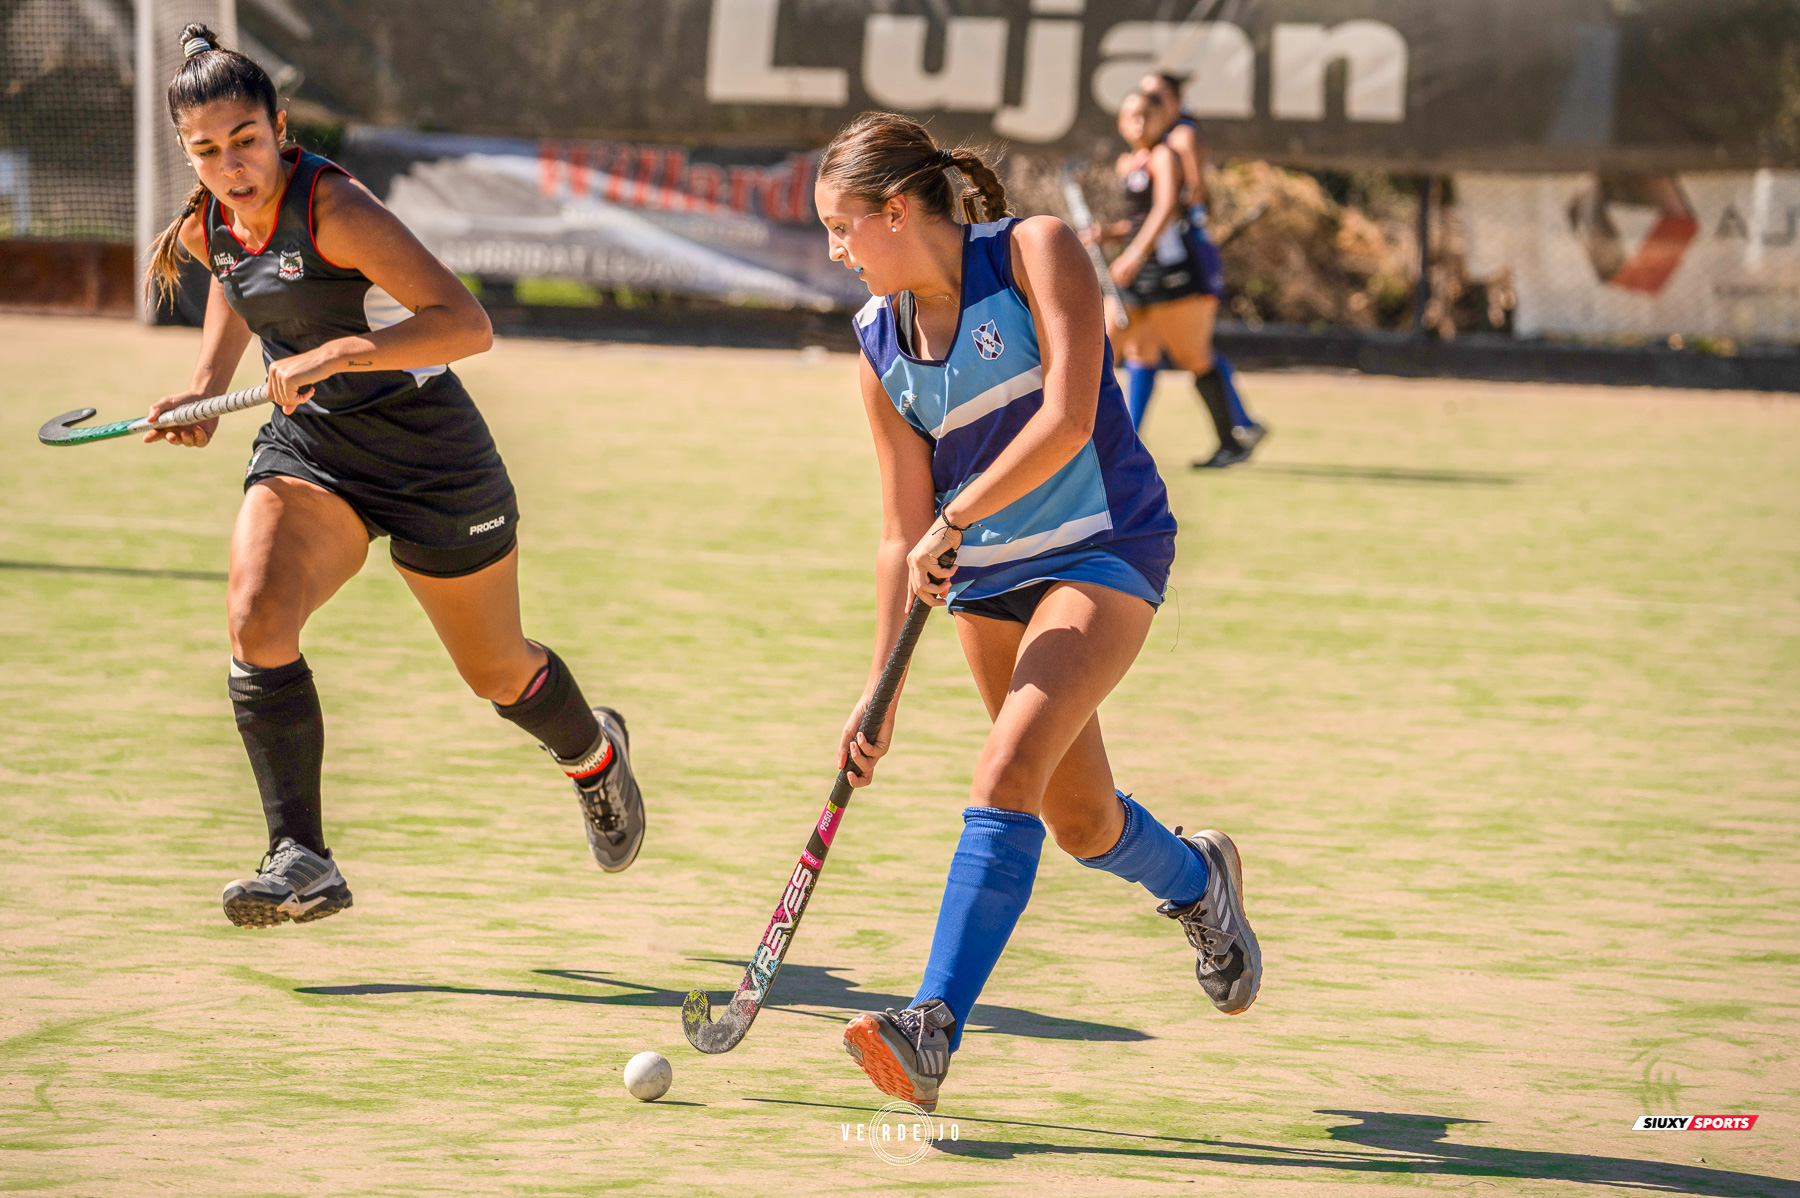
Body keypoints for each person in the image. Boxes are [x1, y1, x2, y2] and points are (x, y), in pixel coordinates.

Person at [140, 26, 645, 927]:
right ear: (188, 151)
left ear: (281, 127)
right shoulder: (210, 216)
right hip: (314, 451)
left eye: (246, 141)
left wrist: (342, 350)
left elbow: (466, 323)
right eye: (207, 150)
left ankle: (594, 756)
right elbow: (229, 272)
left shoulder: (335, 208)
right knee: (257, 615)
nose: (231, 165)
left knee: (497, 672)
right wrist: (205, 391)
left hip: (431, 461)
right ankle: (300, 858)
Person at [814, 111, 1262, 1112]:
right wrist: (877, 691)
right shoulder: (877, 345)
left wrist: (957, 514)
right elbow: (902, 531)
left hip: (1104, 547)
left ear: (896, 209)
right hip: (989, 585)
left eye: (844, 227)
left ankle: (930, 1024)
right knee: (1078, 819)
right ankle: (1197, 880)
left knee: (1005, 769)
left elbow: (1068, 413)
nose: (835, 252)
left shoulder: (1033, 251)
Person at [1083, 94, 1248, 468]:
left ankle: (1231, 443)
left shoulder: (1164, 155)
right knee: (1097, 353)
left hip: (1171, 274)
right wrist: (1106, 234)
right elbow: (1141, 222)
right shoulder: (1129, 162)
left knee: (1194, 358)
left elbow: (1166, 208)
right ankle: (1088, 445)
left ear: (1161, 120)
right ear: (1121, 124)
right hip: (1136, 276)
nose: (1139, 123)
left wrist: (1136, 253)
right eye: (1132, 117)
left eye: (1147, 116)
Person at [1127, 73, 1268, 462]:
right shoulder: (1154, 145)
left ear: (1173, 101)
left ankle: (1238, 423)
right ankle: (1128, 438)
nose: (1145, 103)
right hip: (1160, 256)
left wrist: (1158, 227)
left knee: (1187, 348)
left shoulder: (1180, 138)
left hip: (1181, 257)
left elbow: (1192, 194)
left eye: (1154, 96)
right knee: (1146, 347)